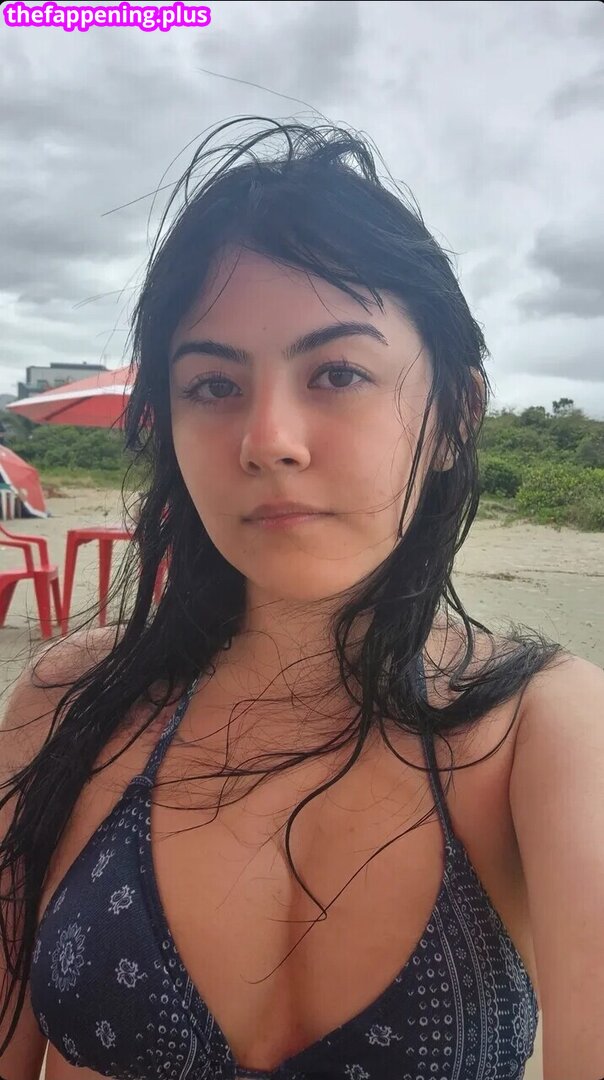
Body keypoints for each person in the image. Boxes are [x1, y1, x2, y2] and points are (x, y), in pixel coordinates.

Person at [1, 119, 603, 1080]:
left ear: (456, 415)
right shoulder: (68, 703)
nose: (268, 439)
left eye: (338, 373)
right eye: (213, 384)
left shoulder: (545, 733)